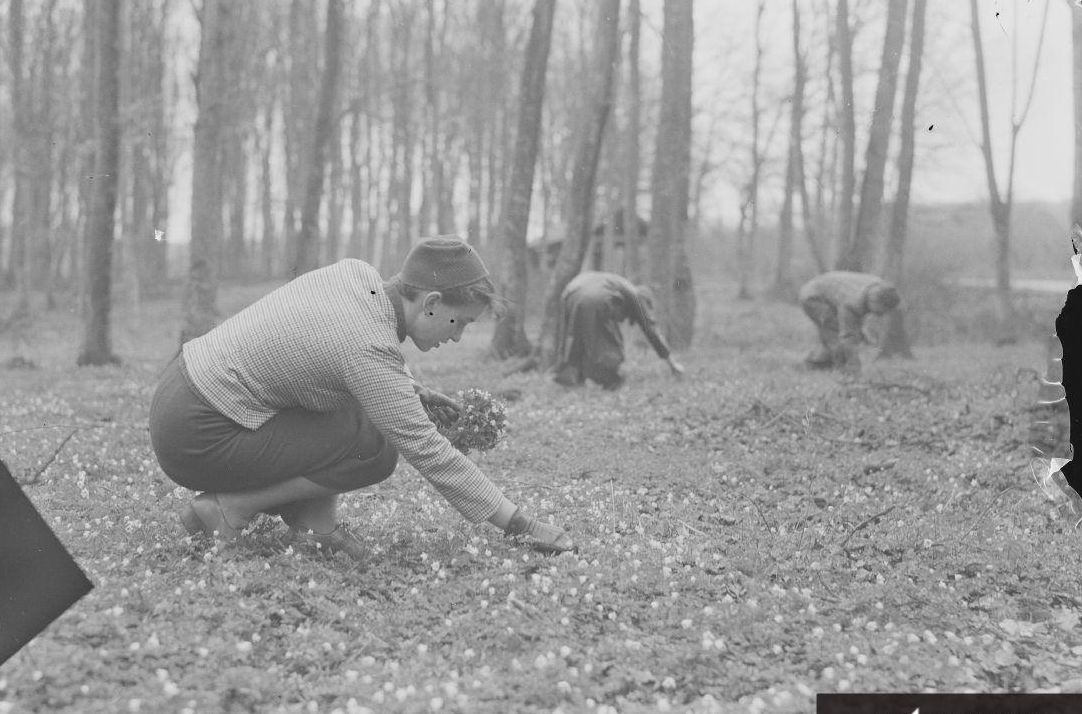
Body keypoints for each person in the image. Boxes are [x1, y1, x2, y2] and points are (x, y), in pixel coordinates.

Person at [149, 237, 575, 557]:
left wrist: (412, 391)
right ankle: (229, 510)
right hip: (198, 432)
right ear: (431, 301)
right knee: (374, 445)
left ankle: (315, 526)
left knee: (357, 415)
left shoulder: (359, 278)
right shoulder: (367, 345)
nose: (457, 336)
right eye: (458, 322)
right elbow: (425, 448)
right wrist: (518, 524)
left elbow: (337, 348)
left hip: (182, 394)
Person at [553, 271, 685, 390]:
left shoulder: (619, 286)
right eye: (624, 316)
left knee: (575, 338)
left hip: (570, 294)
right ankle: (611, 381)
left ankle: (573, 378)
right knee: (610, 346)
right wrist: (672, 364)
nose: (622, 320)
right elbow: (651, 330)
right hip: (596, 297)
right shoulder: (635, 296)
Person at [798, 270, 904, 371]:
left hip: (826, 291)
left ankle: (818, 363)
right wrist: (854, 366)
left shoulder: (881, 288)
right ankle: (839, 370)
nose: (882, 314)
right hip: (813, 296)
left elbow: (855, 321)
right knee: (836, 334)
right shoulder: (853, 303)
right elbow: (848, 336)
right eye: (882, 310)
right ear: (875, 301)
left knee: (838, 333)